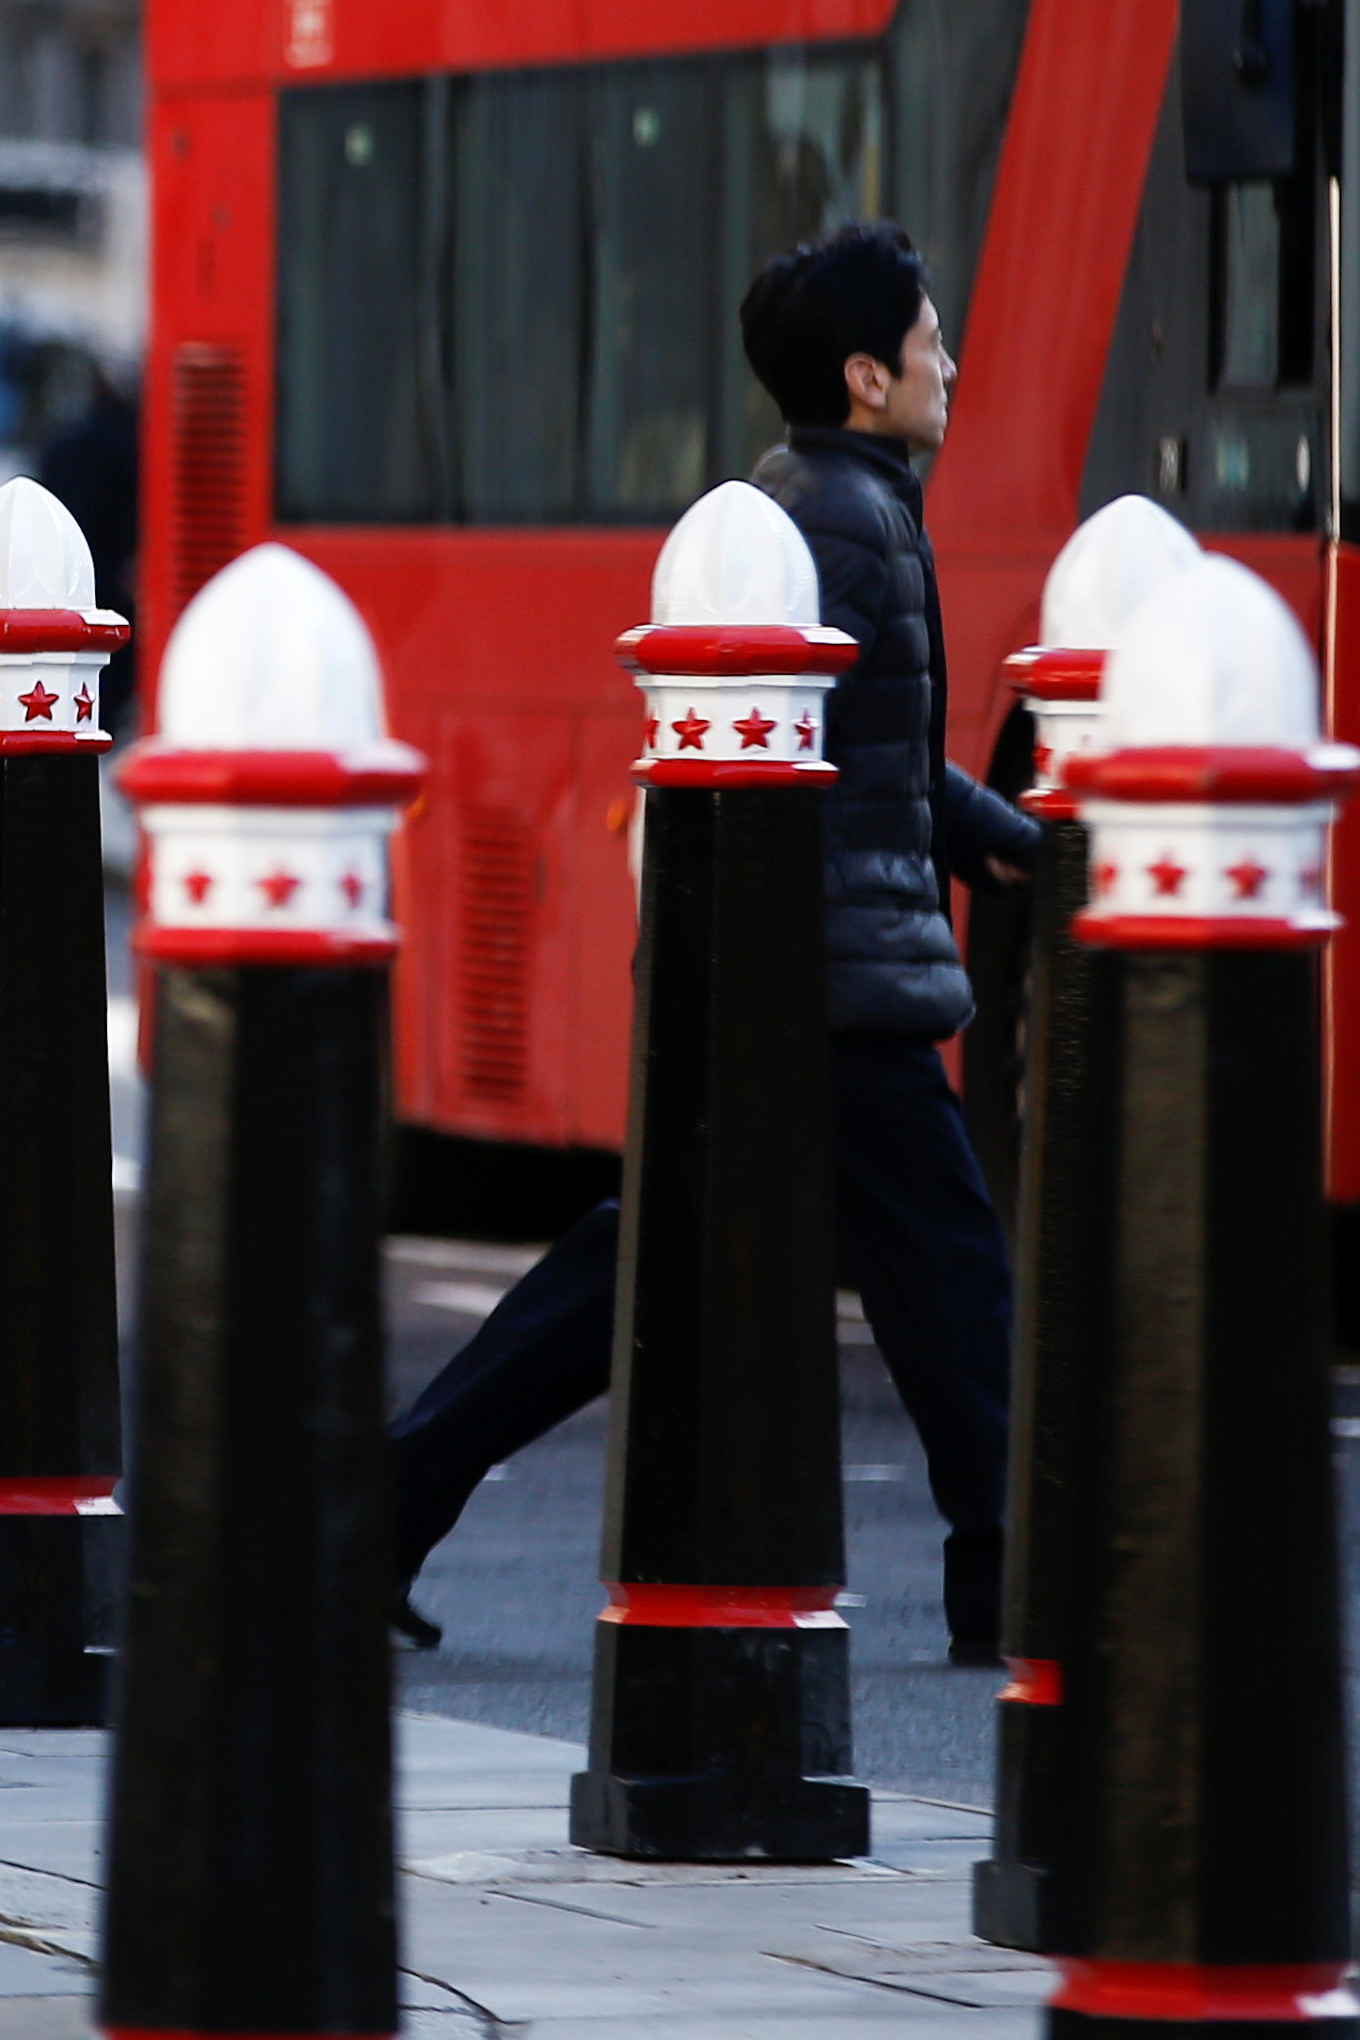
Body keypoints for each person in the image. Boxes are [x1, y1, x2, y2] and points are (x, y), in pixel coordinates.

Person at [380, 221, 1029, 1657]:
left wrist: (995, 828)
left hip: (787, 967)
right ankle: (1010, 1583)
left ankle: (378, 1502)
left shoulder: (832, 500)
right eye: (930, 342)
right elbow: (830, 758)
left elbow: (873, 753)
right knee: (954, 1276)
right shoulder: (839, 522)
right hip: (827, 985)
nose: (951, 363)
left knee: (651, 1257)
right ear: (865, 374)